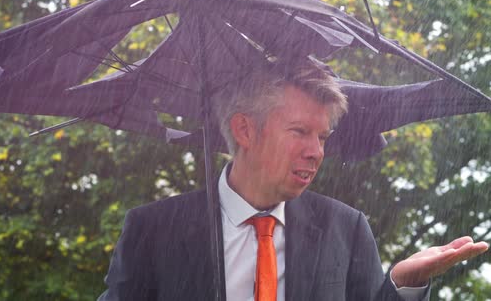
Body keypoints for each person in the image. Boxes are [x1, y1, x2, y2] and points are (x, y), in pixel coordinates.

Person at [98, 60, 488, 301]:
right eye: (300, 132)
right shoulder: (152, 229)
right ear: (245, 131)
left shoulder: (346, 228)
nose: (316, 151)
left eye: (322, 137)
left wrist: (404, 283)